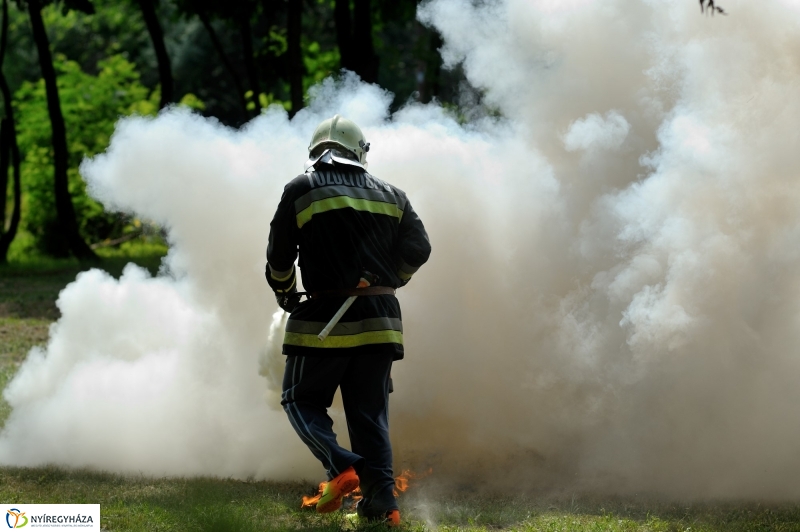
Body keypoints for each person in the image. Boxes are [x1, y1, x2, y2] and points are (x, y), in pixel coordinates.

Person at [265, 115, 431, 526]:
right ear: (359, 152)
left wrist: (286, 293)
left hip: (325, 319)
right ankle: (383, 506)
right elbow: (419, 248)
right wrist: (394, 278)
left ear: (318, 151)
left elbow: (279, 258)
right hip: (380, 321)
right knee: (369, 416)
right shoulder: (393, 193)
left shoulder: (302, 188)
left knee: (299, 398)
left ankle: (341, 468)